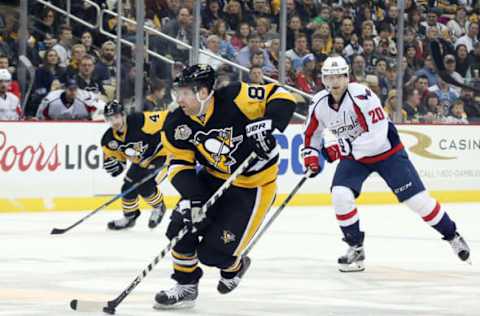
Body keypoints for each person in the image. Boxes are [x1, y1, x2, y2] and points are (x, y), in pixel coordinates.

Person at [302, 56, 470, 273]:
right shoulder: (319, 103)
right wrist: (311, 157)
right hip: (355, 157)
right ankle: (355, 247)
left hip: (386, 152)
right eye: (329, 77)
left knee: (418, 202)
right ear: (323, 78)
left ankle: (452, 235)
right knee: (340, 195)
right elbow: (311, 134)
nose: (334, 82)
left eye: (339, 76)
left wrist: (343, 149)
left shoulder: (362, 95)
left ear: (346, 77)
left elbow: (377, 136)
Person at [154, 64, 295, 309]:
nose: (180, 99)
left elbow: (282, 96)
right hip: (213, 178)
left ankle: (236, 267)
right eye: (178, 92)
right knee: (181, 227)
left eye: (186, 92)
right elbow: (178, 165)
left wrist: (268, 125)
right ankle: (186, 285)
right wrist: (194, 199)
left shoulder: (235, 96)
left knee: (214, 255)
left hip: (254, 187)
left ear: (204, 91)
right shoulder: (176, 123)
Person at [100, 100, 167, 230]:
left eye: (117, 117)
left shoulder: (140, 120)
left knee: (145, 185)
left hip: (161, 155)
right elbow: (118, 161)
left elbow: (168, 117)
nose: (115, 122)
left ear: (123, 115)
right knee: (127, 187)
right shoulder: (109, 140)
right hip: (141, 162)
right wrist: (116, 166)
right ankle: (130, 217)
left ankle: (159, 207)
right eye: (110, 119)